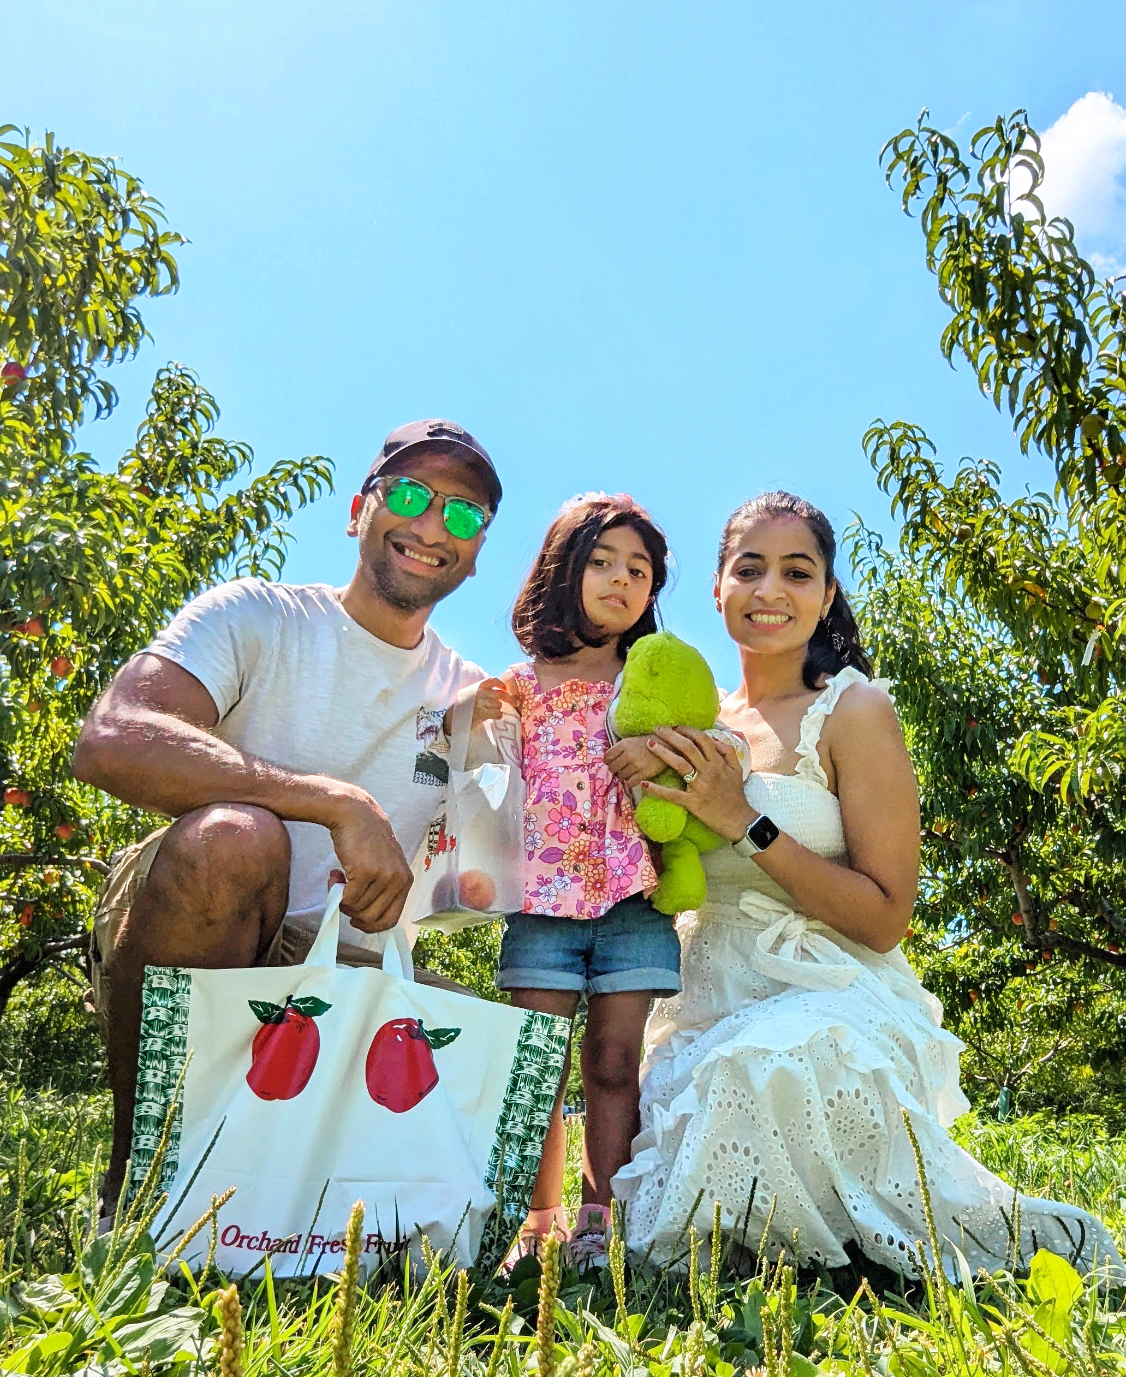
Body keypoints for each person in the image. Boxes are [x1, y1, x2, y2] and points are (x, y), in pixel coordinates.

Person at [604, 491, 1121, 1281]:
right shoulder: (693, 723)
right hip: (704, 999)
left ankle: (859, 1249)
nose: (769, 590)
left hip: (832, 991)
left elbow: (884, 918)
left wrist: (744, 820)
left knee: (776, 1061)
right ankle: (776, 1255)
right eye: (749, 569)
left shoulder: (852, 709)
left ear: (826, 594)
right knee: (699, 1116)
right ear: (715, 588)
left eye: (796, 571)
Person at [74, 420, 499, 1220]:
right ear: (357, 510)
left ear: (476, 553)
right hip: (212, 916)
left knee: (493, 1038)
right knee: (234, 839)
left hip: (351, 964)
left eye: (466, 514)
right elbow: (113, 738)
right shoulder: (259, 616)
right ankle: (142, 1184)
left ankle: (302, 1215)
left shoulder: (469, 697)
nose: (434, 525)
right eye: (410, 495)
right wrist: (333, 800)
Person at [462, 494, 683, 1266]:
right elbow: (466, 760)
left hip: (631, 895)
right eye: (602, 562)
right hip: (543, 903)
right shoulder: (524, 683)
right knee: (537, 1060)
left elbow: (706, 752)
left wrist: (659, 755)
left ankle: (601, 1218)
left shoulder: (647, 680)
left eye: (639, 570)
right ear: (564, 567)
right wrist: (468, 712)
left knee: (615, 1061)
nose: (621, 580)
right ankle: (536, 1219)